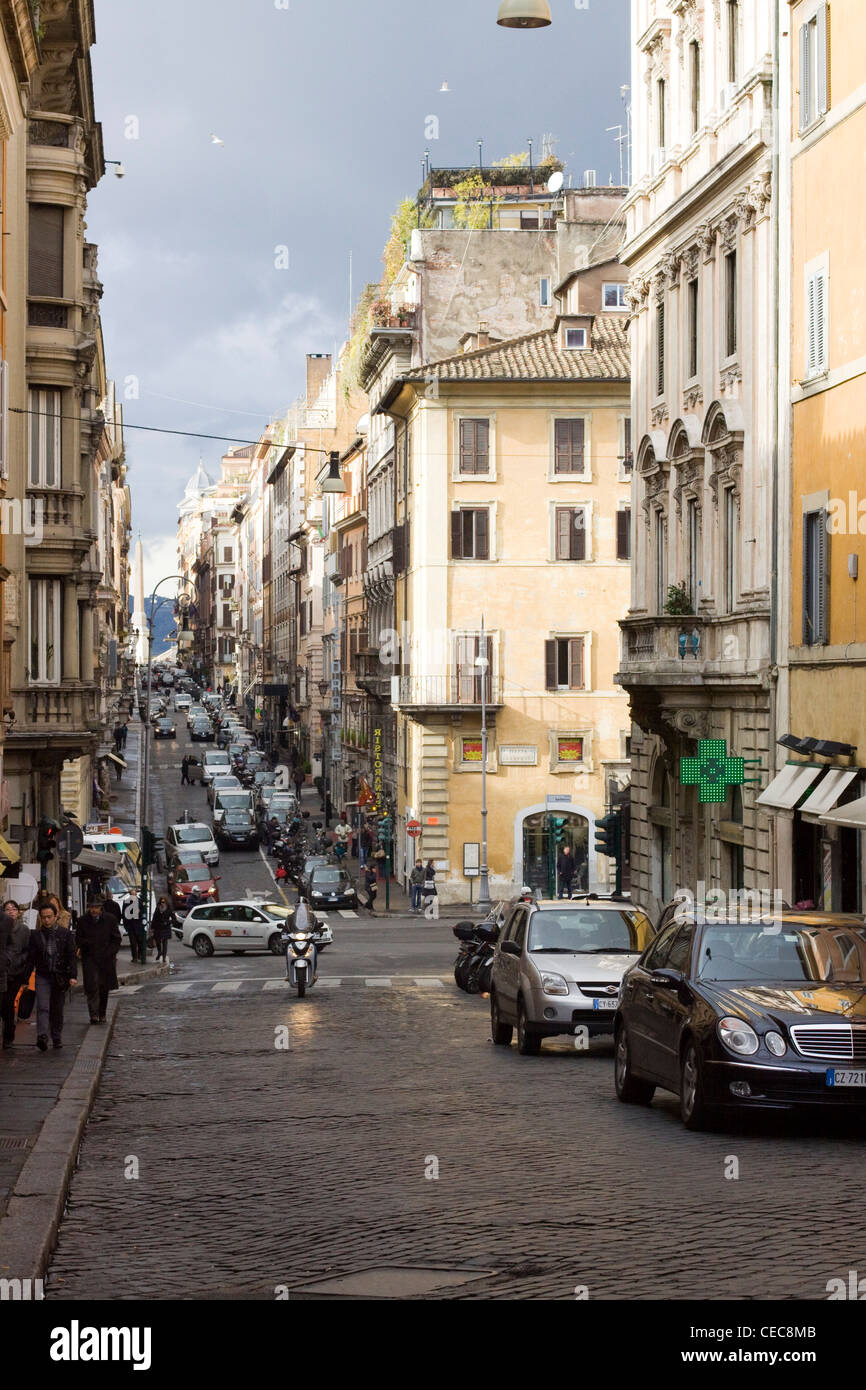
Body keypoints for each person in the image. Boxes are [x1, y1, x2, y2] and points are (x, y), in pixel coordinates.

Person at [27, 902, 78, 1050]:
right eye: (44, 918)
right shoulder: (35, 935)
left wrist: (72, 976)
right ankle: (42, 1036)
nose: (46, 920)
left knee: (57, 1008)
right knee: (43, 1006)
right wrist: (25, 978)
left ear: (56, 916)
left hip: (60, 976)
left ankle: (56, 1037)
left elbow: (71, 956)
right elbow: (31, 958)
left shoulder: (65, 934)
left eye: (49, 917)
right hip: (42, 975)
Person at [76, 896, 121, 1024]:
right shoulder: (83, 921)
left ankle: (102, 1013)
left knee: (103, 986)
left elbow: (116, 939)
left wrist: (110, 952)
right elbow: (78, 938)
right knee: (92, 985)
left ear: (101, 907)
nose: (94, 910)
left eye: (96, 907)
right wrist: (87, 944)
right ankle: (93, 1014)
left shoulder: (110, 920)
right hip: (90, 957)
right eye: (91, 907)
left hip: (105, 958)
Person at [1, 902, 32, 1049]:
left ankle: (8, 1036)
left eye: (14, 909)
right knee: (4, 1004)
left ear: (18, 912)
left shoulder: (24, 930)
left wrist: (21, 960)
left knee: (8, 1002)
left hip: (16, 972)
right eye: (7, 909)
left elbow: (27, 950)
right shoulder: (2, 928)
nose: (11, 912)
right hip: (3, 971)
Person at [121, 892, 147, 964]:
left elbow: (144, 912)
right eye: (132, 895)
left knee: (140, 941)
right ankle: (134, 957)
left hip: (139, 925)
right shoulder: (126, 902)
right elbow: (124, 914)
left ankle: (140, 955)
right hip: (131, 925)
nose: (133, 896)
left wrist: (140, 912)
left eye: (134, 894)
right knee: (133, 943)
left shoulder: (140, 902)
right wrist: (126, 925)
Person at [150, 897, 176, 963]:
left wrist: (168, 922)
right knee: (158, 942)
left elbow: (174, 919)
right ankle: (159, 952)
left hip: (165, 927)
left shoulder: (169, 909)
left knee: (165, 943)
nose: (163, 903)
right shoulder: (158, 908)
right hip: (158, 927)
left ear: (166, 902)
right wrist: (152, 927)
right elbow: (154, 918)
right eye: (162, 902)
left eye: (164, 902)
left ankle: (164, 957)